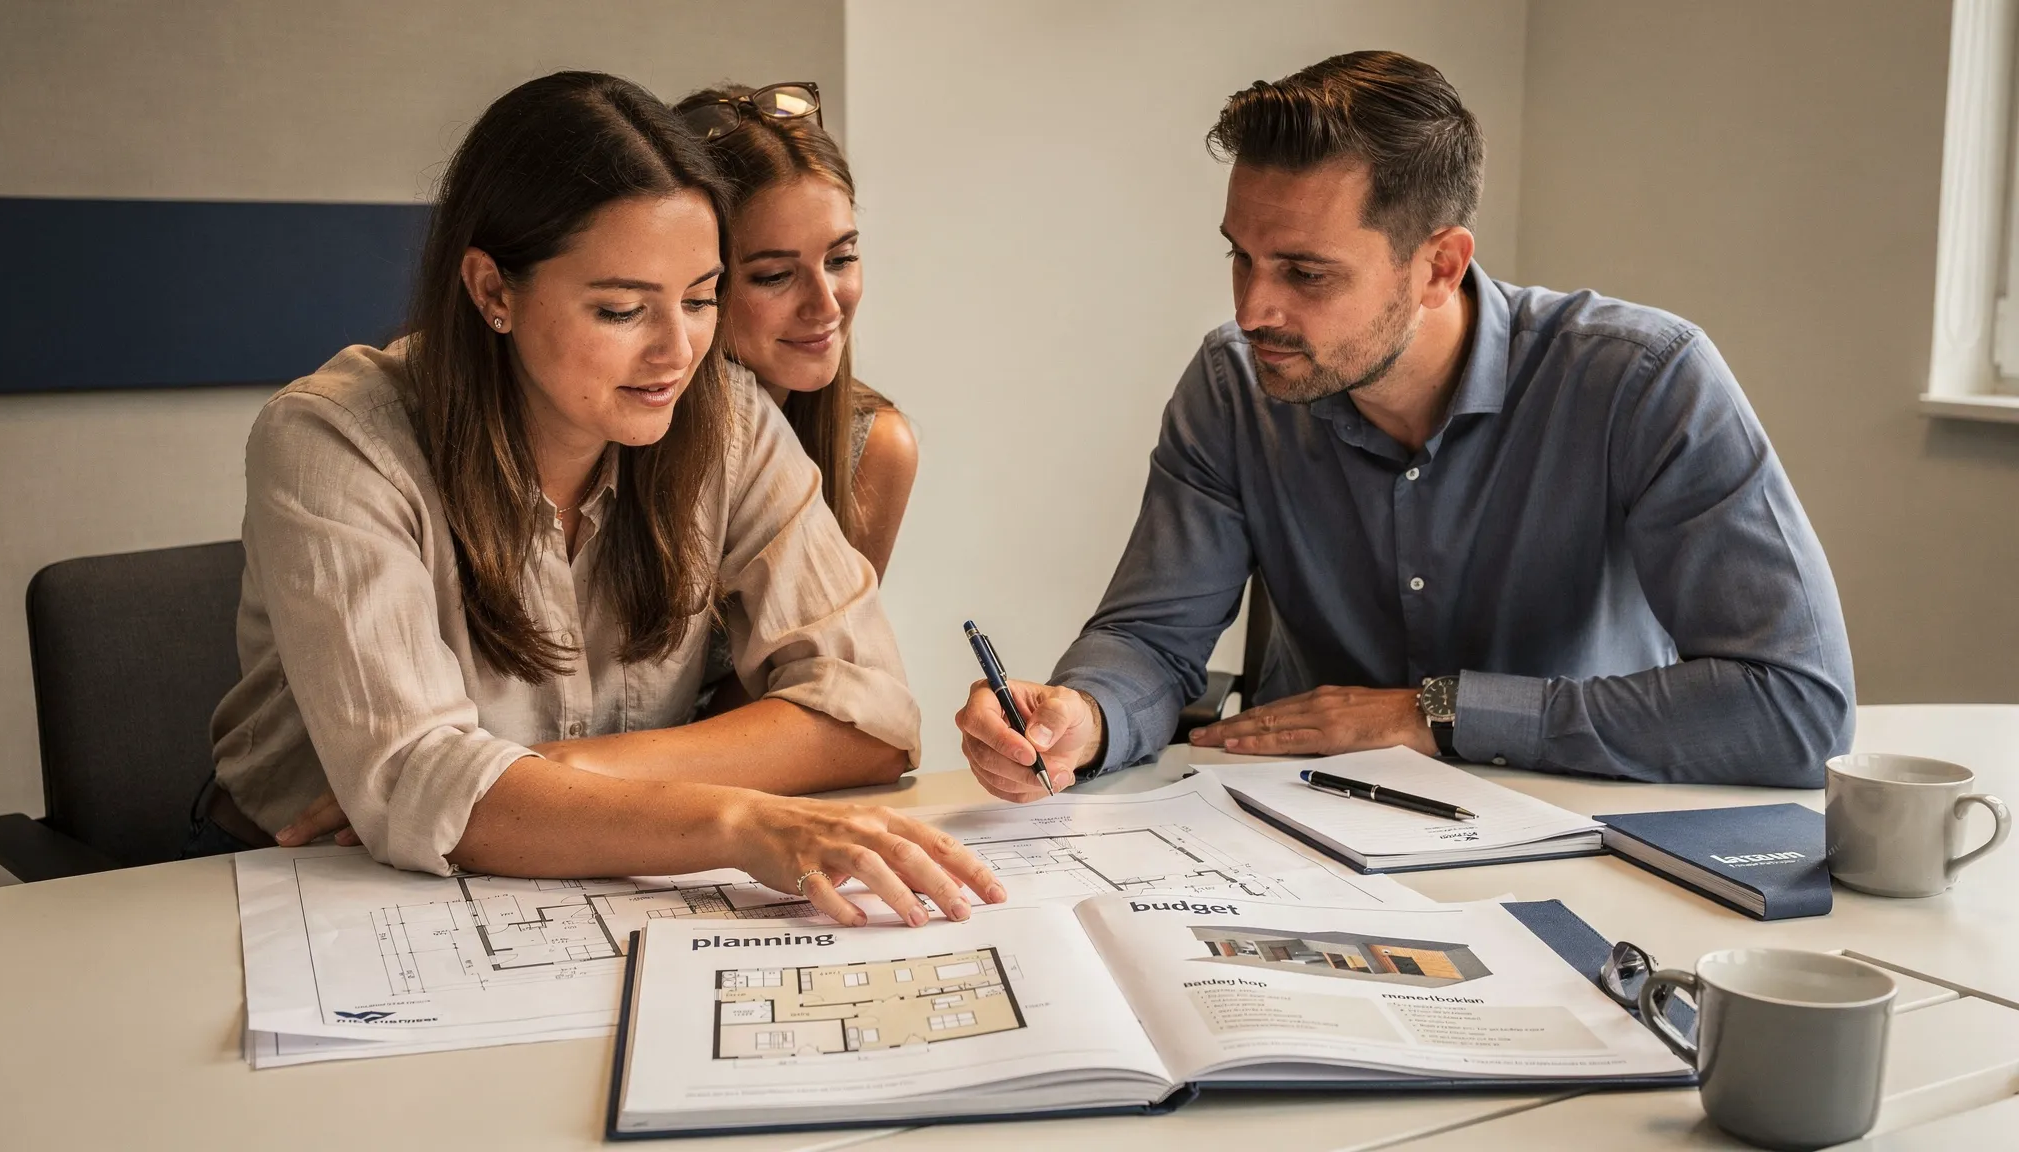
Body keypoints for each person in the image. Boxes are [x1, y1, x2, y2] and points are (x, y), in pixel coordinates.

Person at [194, 72, 1001, 929]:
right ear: (492, 291)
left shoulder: (723, 416)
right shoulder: (332, 440)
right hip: (301, 893)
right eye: (622, 309)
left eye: (699, 300)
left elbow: (868, 716)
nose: (677, 352)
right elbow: (416, 786)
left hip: (582, 884)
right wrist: (737, 817)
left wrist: (544, 776)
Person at [956, 51, 1854, 801]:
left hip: (1578, 824)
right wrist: (1085, 714)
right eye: (1242, 256)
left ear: (1438, 265)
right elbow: (1152, 640)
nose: (1252, 308)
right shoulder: (1233, 386)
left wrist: (1435, 711)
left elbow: (1793, 707)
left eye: (1306, 273)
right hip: (1298, 832)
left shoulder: (1644, 381)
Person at [673, 82, 917, 716]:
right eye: (774, 275)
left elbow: (813, 696)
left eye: (841, 258)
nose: (826, 303)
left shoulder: (874, 446)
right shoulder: (619, 424)